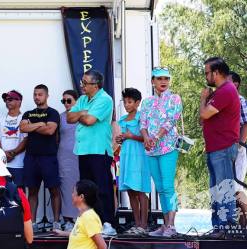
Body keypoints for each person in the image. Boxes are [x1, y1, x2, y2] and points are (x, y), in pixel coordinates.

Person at [67, 70, 117, 236]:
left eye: (85, 83)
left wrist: (80, 113)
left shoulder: (104, 99)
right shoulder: (82, 99)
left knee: (102, 188)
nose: (82, 85)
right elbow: (69, 117)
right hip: (83, 150)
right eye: (82, 82)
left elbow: (89, 121)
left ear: (95, 85)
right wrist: (83, 112)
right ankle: (91, 223)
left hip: (98, 150)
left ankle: (108, 223)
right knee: (86, 190)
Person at [139, 67, 183, 237]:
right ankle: (165, 225)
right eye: (159, 78)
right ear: (153, 81)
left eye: (166, 78)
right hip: (151, 149)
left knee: (168, 186)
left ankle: (171, 225)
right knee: (159, 188)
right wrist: (146, 138)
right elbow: (142, 123)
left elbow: (172, 120)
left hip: (168, 147)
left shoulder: (174, 98)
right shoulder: (147, 101)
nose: (163, 81)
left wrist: (155, 137)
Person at [199, 57, 240, 236]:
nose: (206, 76)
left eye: (207, 72)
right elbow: (203, 120)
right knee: (216, 190)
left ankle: (226, 227)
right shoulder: (219, 92)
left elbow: (204, 114)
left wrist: (203, 99)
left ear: (216, 73)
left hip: (223, 148)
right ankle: (218, 227)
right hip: (215, 148)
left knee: (224, 189)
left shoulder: (226, 91)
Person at [20, 84, 62, 232]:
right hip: (31, 157)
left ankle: (56, 222)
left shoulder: (53, 113)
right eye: (35, 94)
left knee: (54, 190)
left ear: (46, 96)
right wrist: (40, 124)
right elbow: (23, 128)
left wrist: (33, 126)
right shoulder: (28, 113)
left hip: (48, 157)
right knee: (32, 191)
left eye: (40, 94)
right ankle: (32, 223)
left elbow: (50, 130)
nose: (37, 97)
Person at [115, 88, 149, 236]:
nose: (127, 105)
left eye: (130, 102)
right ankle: (136, 224)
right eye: (125, 102)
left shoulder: (142, 117)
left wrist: (130, 136)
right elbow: (124, 138)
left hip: (139, 157)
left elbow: (145, 138)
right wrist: (120, 139)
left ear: (137, 102)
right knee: (130, 190)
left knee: (141, 190)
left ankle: (144, 224)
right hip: (126, 157)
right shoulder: (122, 119)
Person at [229, 72, 247, 229]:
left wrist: (239, 145)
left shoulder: (241, 101)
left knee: (237, 188)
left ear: (236, 84)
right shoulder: (224, 101)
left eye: (229, 81)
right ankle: (242, 224)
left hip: (237, 148)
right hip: (225, 149)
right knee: (229, 188)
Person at [54, 180, 108, 249]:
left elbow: (103, 246)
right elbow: (81, 234)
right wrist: (62, 233)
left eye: (73, 192)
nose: (72, 194)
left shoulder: (89, 217)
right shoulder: (83, 215)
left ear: (81, 197)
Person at [0, 90, 27, 187]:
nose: (7, 101)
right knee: (0, 193)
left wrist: (13, 153)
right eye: (6, 99)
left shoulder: (25, 119)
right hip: (1, 164)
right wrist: (3, 154)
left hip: (18, 164)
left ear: (19, 101)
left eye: (10, 99)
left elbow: (26, 140)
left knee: (18, 193)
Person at [57, 90, 80, 232]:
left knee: (79, 186)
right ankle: (67, 219)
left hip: (79, 154)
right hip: (64, 155)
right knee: (65, 186)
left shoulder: (82, 116)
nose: (66, 103)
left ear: (76, 101)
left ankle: (80, 218)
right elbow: (56, 138)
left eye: (69, 100)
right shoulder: (60, 117)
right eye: (63, 101)